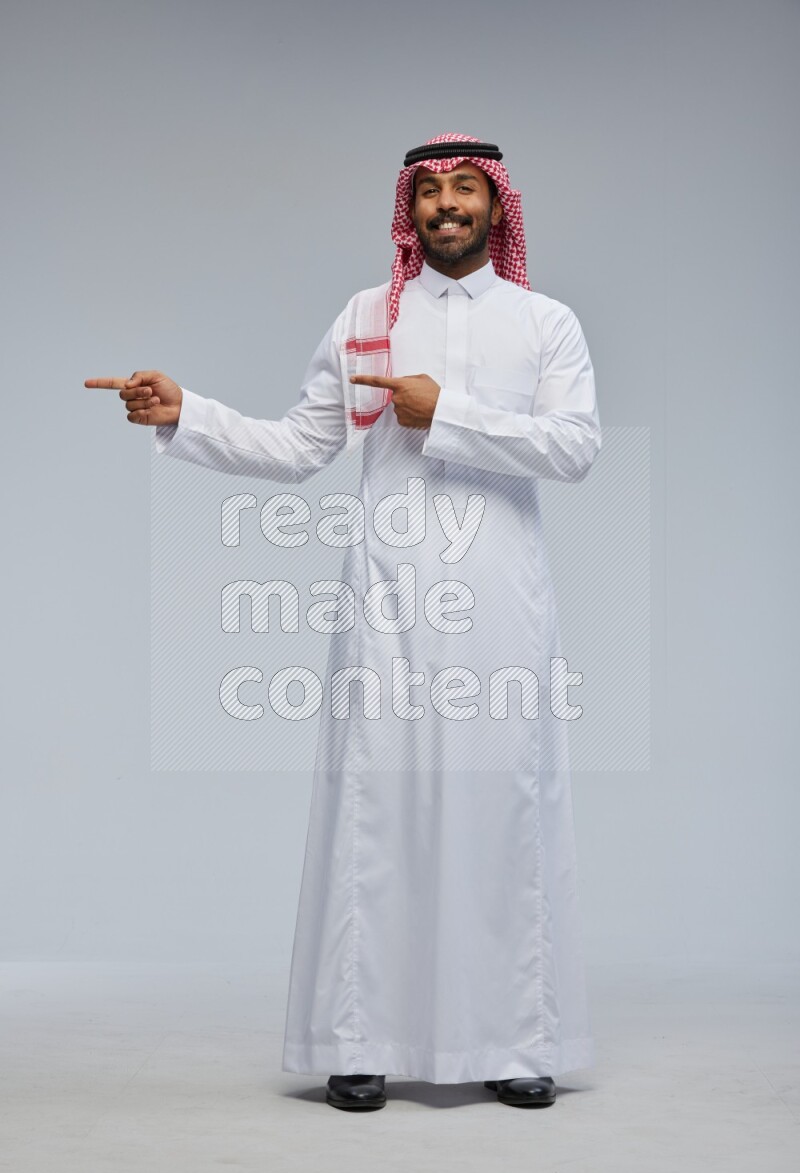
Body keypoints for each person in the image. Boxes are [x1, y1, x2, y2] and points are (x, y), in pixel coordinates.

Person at [85, 132, 602, 1113]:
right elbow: (295, 446)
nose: (447, 206)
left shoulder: (545, 323)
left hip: (497, 594)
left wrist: (442, 412)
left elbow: (572, 447)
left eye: (464, 190)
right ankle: (358, 1037)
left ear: (497, 206)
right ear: (408, 211)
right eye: (429, 193)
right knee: (377, 807)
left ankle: (512, 1038)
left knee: (500, 805)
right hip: (387, 598)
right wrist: (182, 411)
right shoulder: (368, 316)